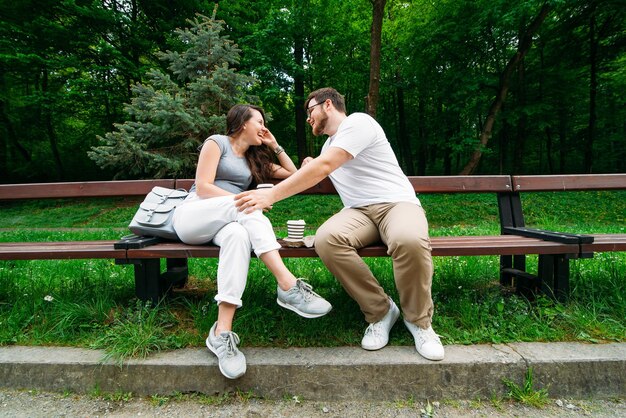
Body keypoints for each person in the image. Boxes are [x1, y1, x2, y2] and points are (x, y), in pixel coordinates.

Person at [234, 88, 444, 361]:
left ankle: (419, 322)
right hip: (358, 211)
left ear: (328, 105)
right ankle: (380, 311)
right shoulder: (327, 146)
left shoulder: (359, 122)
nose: (308, 118)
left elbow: (326, 166)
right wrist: (286, 151)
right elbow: (312, 171)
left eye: (310, 110)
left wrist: (271, 195)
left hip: (396, 203)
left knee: (408, 239)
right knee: (327, 239)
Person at [172, 104, 332, 379]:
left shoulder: (253, 160)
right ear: (242, 122)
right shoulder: (217, 143)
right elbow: (204, 185)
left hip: (227, 225)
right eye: (259, 121)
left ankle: (222, 333)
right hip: (193, 216)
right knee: (250, 206)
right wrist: (246, 201)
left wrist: (274, 144)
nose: (263, 126)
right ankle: (287, 285)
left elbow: (295, 176)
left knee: (238, 235)